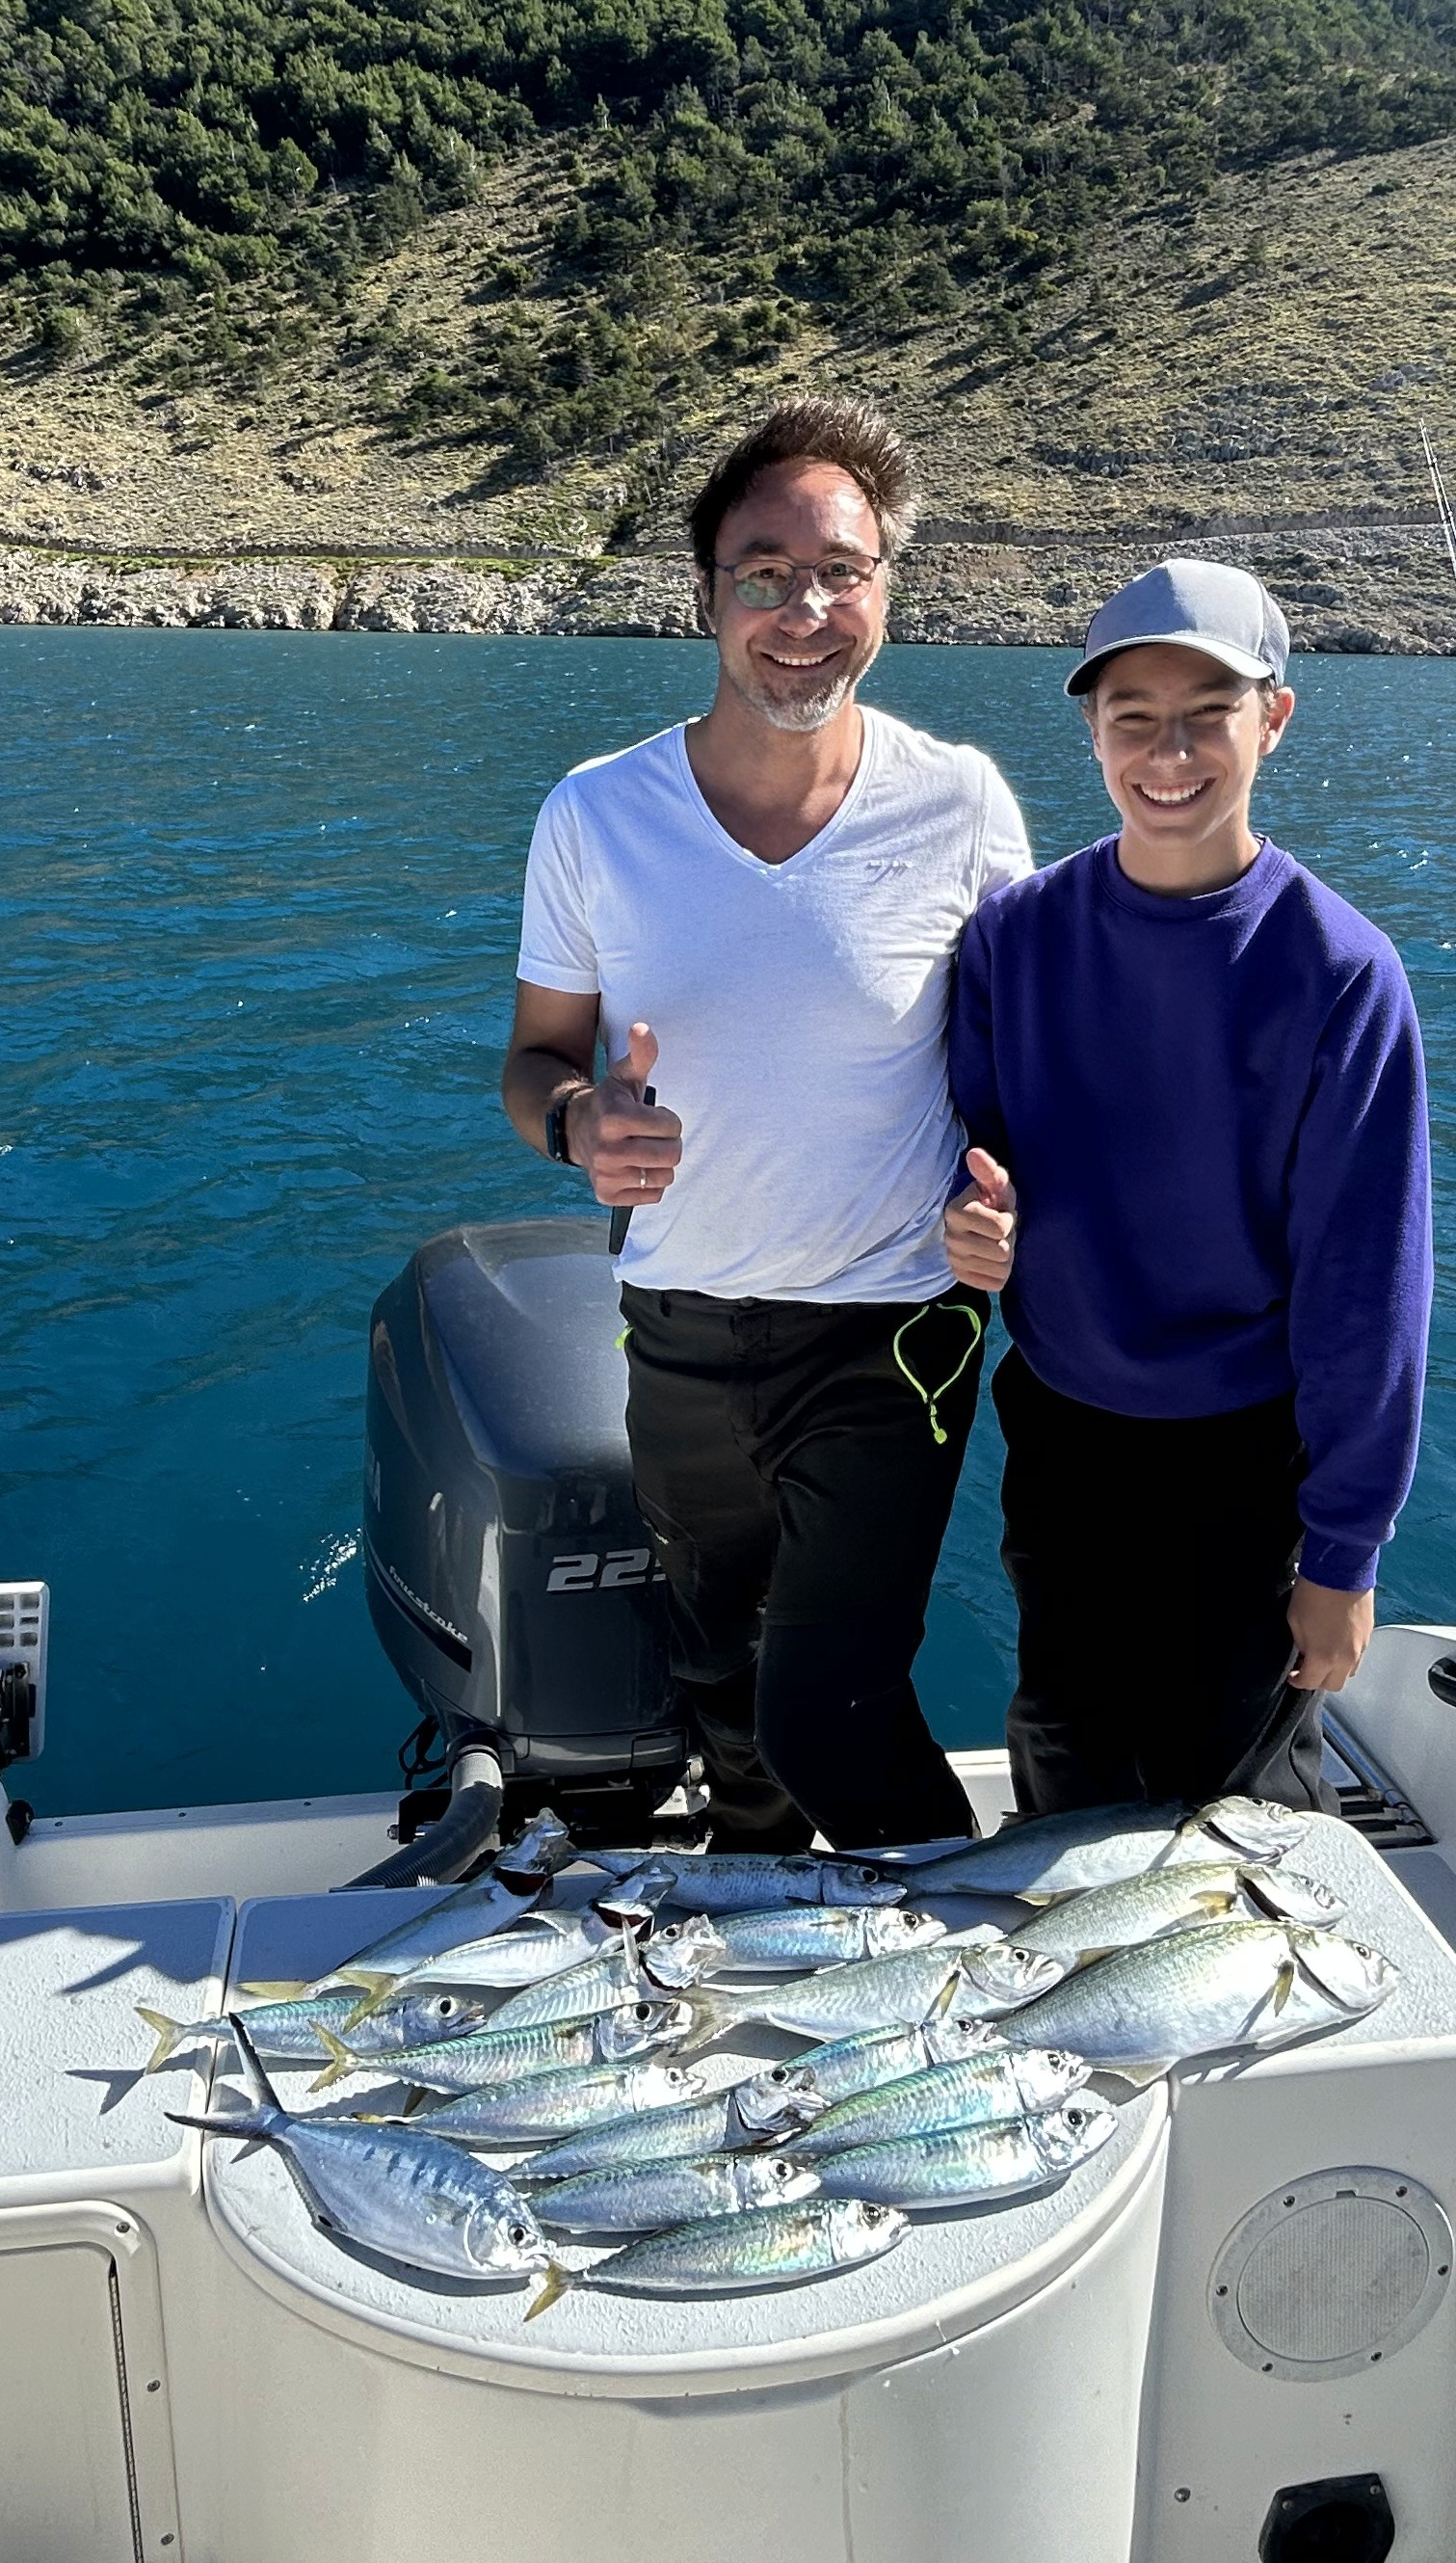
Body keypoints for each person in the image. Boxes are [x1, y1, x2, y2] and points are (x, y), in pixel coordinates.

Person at [499, 396, 1032, 1851]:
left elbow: (1022, 1080)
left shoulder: (963, 807)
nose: (806, 609)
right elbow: (539, 1056)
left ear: (887, 592)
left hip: (891, 1334)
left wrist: (1008, 1203)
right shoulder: (597, 815)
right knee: (716, 1674)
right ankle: (755, 1906)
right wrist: (575, 1128)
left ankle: (983, 1980)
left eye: (842, 570)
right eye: (766, 572)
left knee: (831, 1698)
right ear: (706, 597)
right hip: (673, 1319)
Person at [940, 558, 1430, 1814]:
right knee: (1064, 1749)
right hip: (1064, 1436)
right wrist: (976, 1223)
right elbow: (975, 1150)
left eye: (1207, 711)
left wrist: (1342, 1554)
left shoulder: (1343, 975)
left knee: (1235, 1807)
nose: (1168, 750)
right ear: (1093, 729)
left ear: (1274, 717)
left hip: (1247, 1462)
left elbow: (1366, 1293)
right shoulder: (1015, 937)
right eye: (1132, 715)